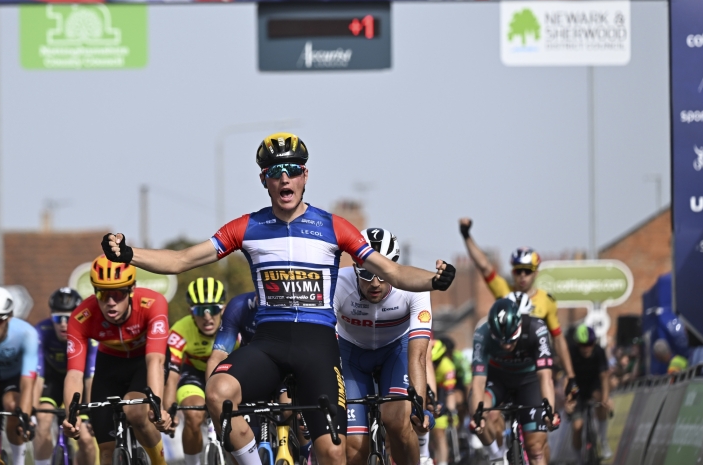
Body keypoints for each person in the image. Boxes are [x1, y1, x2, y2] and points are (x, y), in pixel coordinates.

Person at [102, 133, 455, 465]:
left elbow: (391, 272)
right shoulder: (246, 227)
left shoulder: (334, 226)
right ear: (263, 180)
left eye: (293, 171)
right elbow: (181, 260)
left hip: (317, 346)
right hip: (268, 342)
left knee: (334, 454)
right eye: (275, 172)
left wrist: (433, 280)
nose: (284, 179)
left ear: (305, 176)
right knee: (217, 393)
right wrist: (129, 254)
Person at [334, 227, 434, 465]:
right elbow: (322, 345)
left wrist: (419, 406)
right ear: (355, 268)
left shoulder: (413, 289)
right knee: (355, 446)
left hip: (395, 351)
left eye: (383, 274)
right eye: (367, 274)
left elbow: (418, 357)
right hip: (351, 355)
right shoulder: (339, 284)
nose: (375, 283)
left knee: (398, 424)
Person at [62, 255, 171, 465]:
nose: (110, 302)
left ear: (131, 290)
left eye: (118, 293)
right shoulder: (81, 317)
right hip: (109, 365)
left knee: (138, 413)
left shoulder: (153, 303)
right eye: (103, 294)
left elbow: (155, 361)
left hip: (144, 362)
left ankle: (159, 462)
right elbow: (75, 373)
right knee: (106, 453)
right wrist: (71, 416)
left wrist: (157, 407)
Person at [458, 218, 577, 398]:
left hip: (532, 367)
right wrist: (466, 235)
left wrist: (570, 374)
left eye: (527, 271)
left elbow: (558, 338)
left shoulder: (546, 301)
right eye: (517, 270)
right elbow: (484, 266)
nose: (522, 276)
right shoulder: (504, 291)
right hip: (504, 365)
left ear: (536, 272)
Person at [469, 298, 559, 465]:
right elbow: (478, 382)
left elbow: (545, 377)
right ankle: (495, 456)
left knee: (535, 448)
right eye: (501, 341)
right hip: (498, 380)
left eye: (511, 340)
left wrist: (549, 412)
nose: (506, 345)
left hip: (529, 381)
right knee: (477, 408)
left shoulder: (536, 328)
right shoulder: (482, 334)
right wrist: (478, 415)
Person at [165, 277, 229, 465]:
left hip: (226, 374)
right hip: (193, 374)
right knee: (193, 415)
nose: (208, 317)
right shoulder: (180, 330)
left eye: (214, 309)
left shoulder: (234, 325)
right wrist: (169, 410)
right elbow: (172, 375)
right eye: (201, 310)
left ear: (223, 309)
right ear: (191, 312)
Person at [33, 287, 99, 465]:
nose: (63, 324)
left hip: (81, 384)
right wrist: (32, 410)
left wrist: (92, 415)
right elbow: (38, 377)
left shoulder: (89, 334)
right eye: (57, 318)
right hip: (53, 380)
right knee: (43, 419)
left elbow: (90, 379)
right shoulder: (42, 330)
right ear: (50, 317)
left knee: (85, 439)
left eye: (68, 318)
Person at [0, 286, 39, 464]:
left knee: (12, 404)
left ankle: (18, 461)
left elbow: (27, 382)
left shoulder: (26, 334)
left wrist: (24, 416)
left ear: (9, 317)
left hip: (12, 380)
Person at [565, 325, 612, 461]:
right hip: (577, 387)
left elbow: (604, 377)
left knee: (601, 402)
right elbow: (567, 379)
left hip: (593, 385)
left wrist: (606, 398)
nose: (587, 348)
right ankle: (578, 459)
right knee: (577, 426)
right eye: (583, 345)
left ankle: (603, 441)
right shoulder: (572, 353)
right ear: (577, 344)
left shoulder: (599, 352)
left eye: (590, 344)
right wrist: (569, 400)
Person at [207, 291, 256, 379]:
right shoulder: (238, 305)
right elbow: (217, 357)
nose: (207, 317)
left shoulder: (288, 309)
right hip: (251, 366)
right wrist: (212, 391)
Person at [430, 340, 457, 465]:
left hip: (441, 396)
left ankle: (442, 462)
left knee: (439, 433)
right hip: (426, 393)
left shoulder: (448, 367)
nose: (433, 366)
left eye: (436, 362)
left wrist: (452, 412)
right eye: (431, 362)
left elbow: (449, 393)